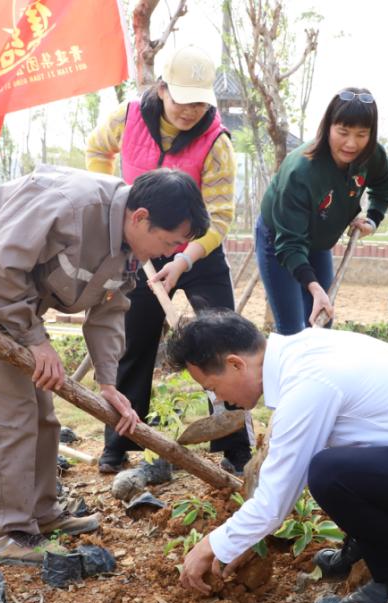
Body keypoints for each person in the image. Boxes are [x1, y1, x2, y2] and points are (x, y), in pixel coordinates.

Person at [0, 166, 209, 565]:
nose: (169, 253)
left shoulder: (130, 246)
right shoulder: (70, 207)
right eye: (169, 242)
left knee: (44, 415)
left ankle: (41, 514)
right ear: (140, 218)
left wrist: (109, 382)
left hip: (16, 301)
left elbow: (110, 311)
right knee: (12, 414)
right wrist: (34, 338)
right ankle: (10, 533)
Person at [165, 310, 388, 603]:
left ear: (236, 364)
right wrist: (239, 540)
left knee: (330, 473)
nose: (217, 399)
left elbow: (275, 502)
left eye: (212, 386)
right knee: (332, 464)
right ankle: (371, 545)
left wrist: (212, 545)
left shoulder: (308, 384)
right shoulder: (305, 350)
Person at [86, 44, 252, 476]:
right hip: (142, 246)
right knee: (133, 340)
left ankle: (233, 443)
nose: (190, 110)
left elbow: (219, 218)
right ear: (161, 89)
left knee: (221, 339)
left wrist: (183, 260)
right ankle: (120, 441)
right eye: (182, 98)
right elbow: (96, 149)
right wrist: (114, 197)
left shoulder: (217, 142)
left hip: (199, 252)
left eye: (200, 101)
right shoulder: (127, 118)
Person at [255, 87, 388, 334]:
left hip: (318, 242)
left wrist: (374, 219)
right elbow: (290, 244)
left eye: (362, 134)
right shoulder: (301, 171)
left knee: (323, 320)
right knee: (293, 330)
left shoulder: (371, 156)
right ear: (328, 127)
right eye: (343, 132)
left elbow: (387, 181)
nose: (351, 143)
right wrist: (314, 287)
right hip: (280, 240)